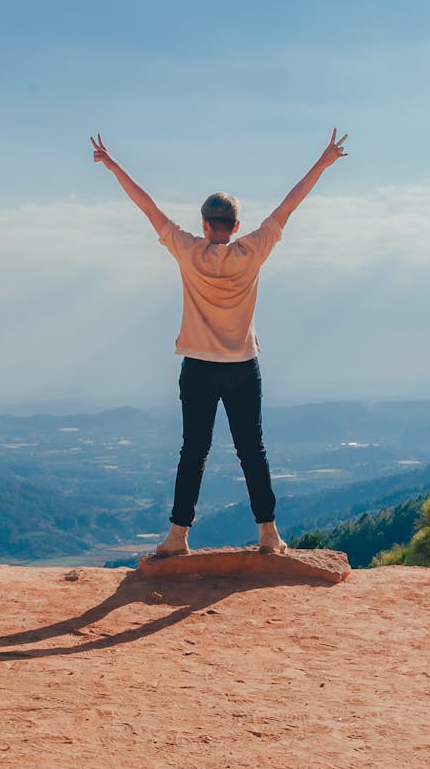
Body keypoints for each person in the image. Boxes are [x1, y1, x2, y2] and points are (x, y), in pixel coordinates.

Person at [91, 129, 348, 556]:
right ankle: (269, 535)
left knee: (194, 451)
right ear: (236, 226)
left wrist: (114, 166)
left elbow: (148, 208)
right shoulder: (253, 250)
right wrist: (323, 162)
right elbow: (289, 205)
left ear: (205, 224)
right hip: (243, 365)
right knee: (253, 449)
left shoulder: (188, 251)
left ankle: (178, 536)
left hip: (198, 366)